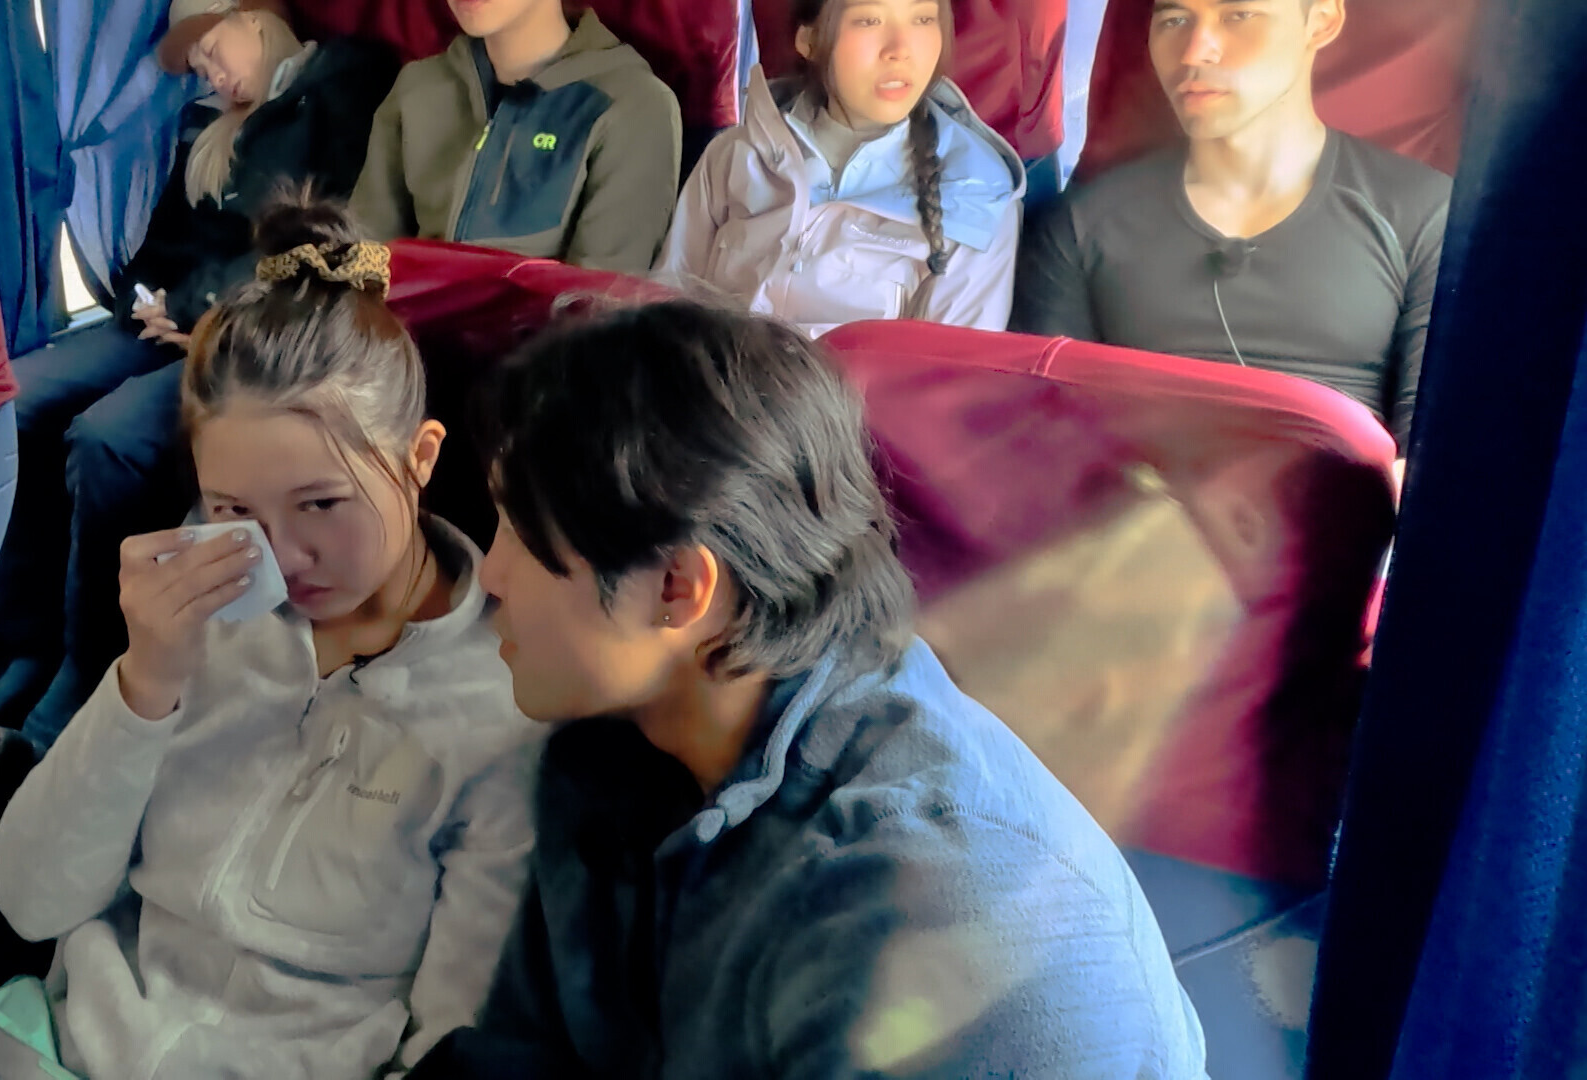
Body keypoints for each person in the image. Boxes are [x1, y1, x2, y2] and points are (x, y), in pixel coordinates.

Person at [409, 300, 1207, 1078]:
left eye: (519, 534)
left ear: (679, 589)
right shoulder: (611, 758)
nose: (491, 574)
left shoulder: (934, 901)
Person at [0, 195, 542, 1079]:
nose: (280, 556)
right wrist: (143, 685)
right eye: (233, 508)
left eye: (321, 504)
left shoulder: (504, 703)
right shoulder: (207, 608)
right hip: (57, 1044)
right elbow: (31, 903)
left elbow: (450, 1035)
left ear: (420, 460)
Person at [0, 0, 399, 743]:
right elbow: (164, 242)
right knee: (10, 400)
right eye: (199, 67)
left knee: (107, 437)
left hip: (253, 324)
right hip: (170, 321)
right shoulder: (206, 129)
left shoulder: (341, 84)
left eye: (212, 49)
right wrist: (146, 298)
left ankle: (92, 661)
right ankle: (22, 638)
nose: (208, 73)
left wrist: (196, 305)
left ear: (254, 18)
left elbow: (316, 234)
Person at [1011, 0, 1449, 479]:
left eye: (1239, 16)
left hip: (1347, 511)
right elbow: (1046, 445)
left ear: (1320, 22)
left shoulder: (1422, 213)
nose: (1195, 52)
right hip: (1139, 512)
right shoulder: (1080, 225)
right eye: (1175, 20)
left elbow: (1434, 457)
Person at [659, 0, 1025, 336]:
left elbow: (950, 372)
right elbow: (667, 305)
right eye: (869, 21)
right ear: (810, 40)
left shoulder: (977, 197)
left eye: (923, 19)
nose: (900, 49)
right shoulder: (737, 153)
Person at [350, 0, 683, 273]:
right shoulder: (418, 87)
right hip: (399, 331)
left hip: (546, 335)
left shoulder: (632, 106)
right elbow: (361, 264)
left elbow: (604, 308)